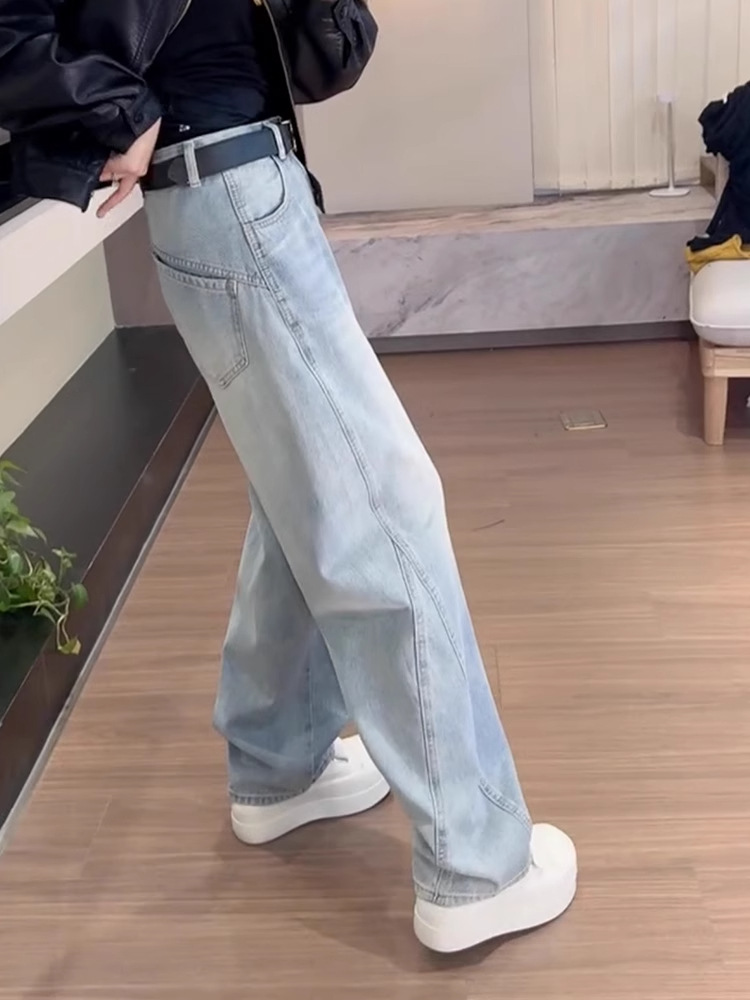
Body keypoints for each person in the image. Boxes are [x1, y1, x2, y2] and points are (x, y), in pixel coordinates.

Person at [0, 0, 576, 953]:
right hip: (223, 184)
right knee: (386, 508)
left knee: (303, 493)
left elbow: (330, 50)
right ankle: (477, 865)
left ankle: (280, 763)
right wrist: (120, 113)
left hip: (245, 180)